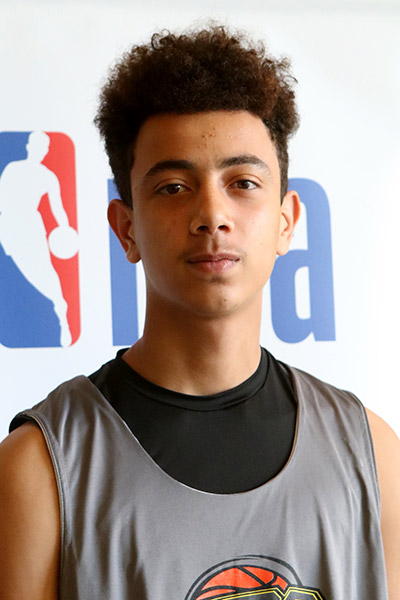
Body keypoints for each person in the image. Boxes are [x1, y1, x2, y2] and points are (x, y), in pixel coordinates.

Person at [0, 25, 399, 600]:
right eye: (172, 187)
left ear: (286, 221)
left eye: (243, 182)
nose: (212, 214)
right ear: (125, 228)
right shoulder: (38, 471)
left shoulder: (374, 457)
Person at [0, 131, 73, 347]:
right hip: (8, 226)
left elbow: (57, 208)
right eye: (36, 145)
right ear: (29, 146)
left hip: (31, 227)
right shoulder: (13, 168)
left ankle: (61, 309)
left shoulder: (48, 177)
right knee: (18, 272)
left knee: (43, 271)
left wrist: (65, 228)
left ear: (46, 151)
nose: (39, 150)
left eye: (44, 147)